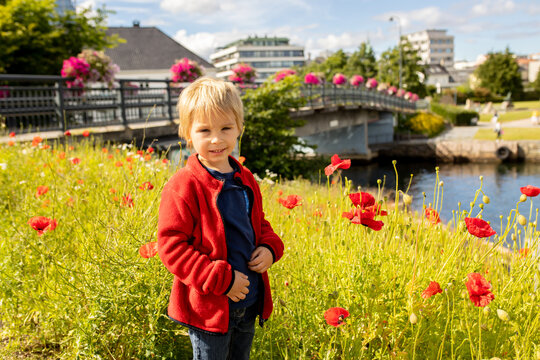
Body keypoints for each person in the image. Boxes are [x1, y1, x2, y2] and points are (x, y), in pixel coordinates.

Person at [157, 77, 284, 360]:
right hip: (210, 307)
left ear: (239, 127)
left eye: (226, 128)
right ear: (187, 134)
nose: (217, 139)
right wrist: (221, 280)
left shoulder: (245, 177)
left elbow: (259, 224)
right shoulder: (184, 184)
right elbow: (172, 247)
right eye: (204, 130)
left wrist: (270, 247)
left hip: (248, 301)